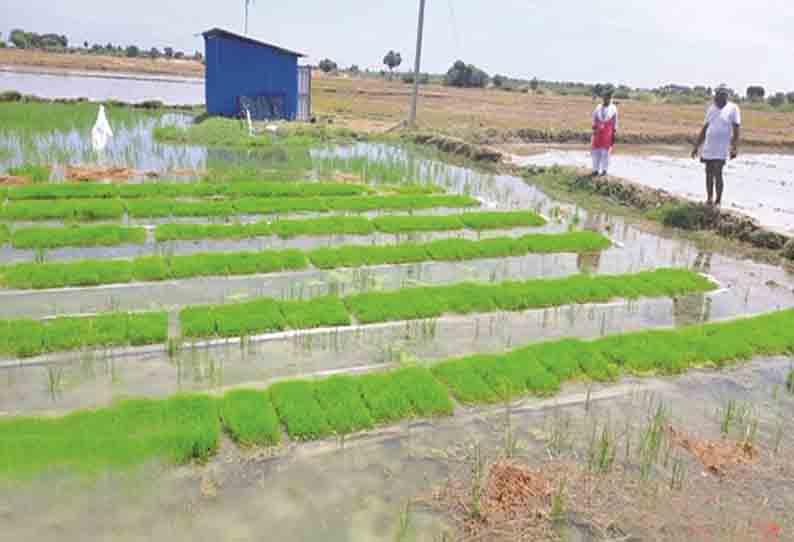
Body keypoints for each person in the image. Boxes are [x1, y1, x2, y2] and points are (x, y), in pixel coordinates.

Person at [691, 86, 741, 206]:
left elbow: (736, 129)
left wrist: (734, 148)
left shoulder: (733, 108)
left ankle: (718, 200)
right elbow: (705, 128)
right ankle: (709, 198)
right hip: (709, 146)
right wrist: (696, 146)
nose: (716, 98)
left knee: (718, 172)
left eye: (719, 96)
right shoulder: (711, 108)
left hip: (722, 147)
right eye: (716, 96)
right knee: (708, 172)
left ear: (725, 97)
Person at [591, 89, 618, 176]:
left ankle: (604, 171)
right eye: (605, 98)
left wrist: (614, 133)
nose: (606, 99)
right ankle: (595, 170)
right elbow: (594, 118)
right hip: (598, 133)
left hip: (608, 133)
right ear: (603, 98)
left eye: (608, 98)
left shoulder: (613, 108)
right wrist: (594, 128)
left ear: (610, 99)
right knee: (596, 152)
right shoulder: (598, 107)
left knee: (605, 153)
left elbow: (615, 121)